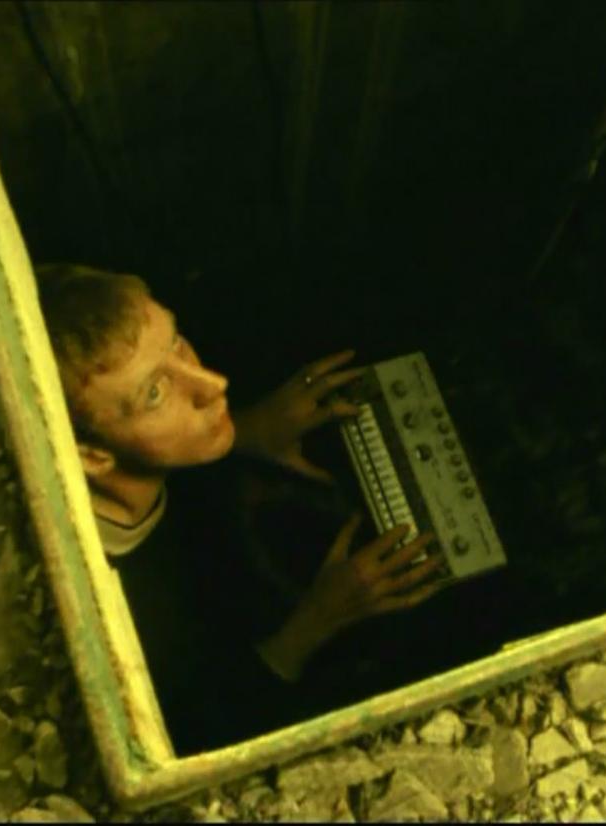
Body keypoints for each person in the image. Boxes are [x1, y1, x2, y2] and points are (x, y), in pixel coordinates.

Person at [35, 262, 451, 752]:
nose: (213, 384)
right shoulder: (118, 622)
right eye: (156, 392)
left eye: (176, 343)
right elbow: (199, 740)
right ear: (91, 456)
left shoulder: (124, 480)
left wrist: (246, 433)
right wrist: (318, 620)